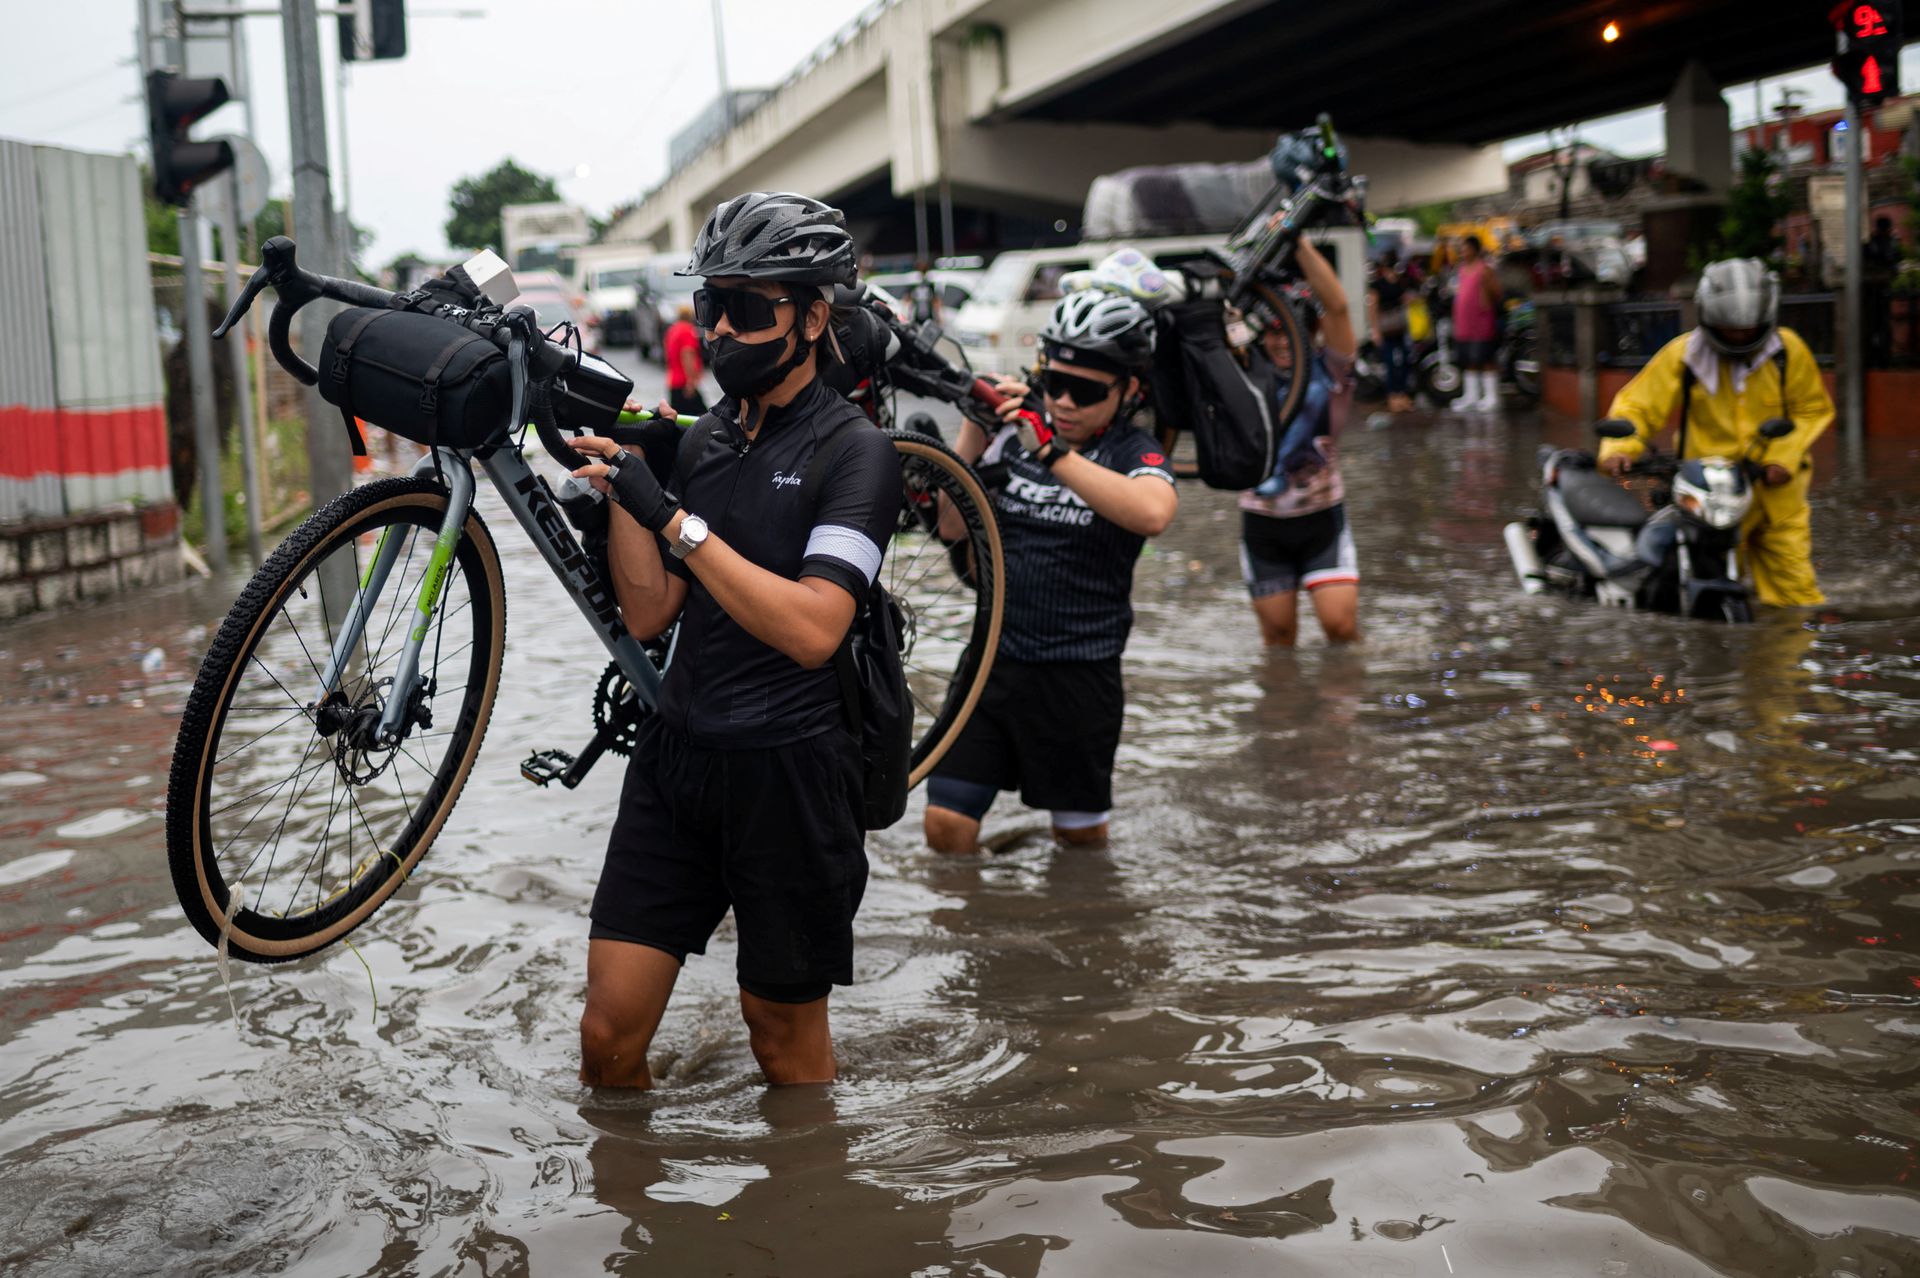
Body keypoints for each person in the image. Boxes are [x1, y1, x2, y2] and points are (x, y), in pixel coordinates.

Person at [566, 191, 901, 1088]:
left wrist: (672, 520)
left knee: (782, 1044)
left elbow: (815, 627)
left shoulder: (857, 454)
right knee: (607, 1037)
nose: (719, 332)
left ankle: (807, 1218)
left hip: (791, 774)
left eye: (747, 310)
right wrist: (632, 490)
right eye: (710, 306)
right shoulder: (707, 437)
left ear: (814, 316)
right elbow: (648, 616)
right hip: (678, 760)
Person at [922, 289, 1178, 855]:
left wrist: (1052, 455)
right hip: (992, 665)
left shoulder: (1130, 450)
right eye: (1052, 382)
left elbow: (1155, 512)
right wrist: (977, 429)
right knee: (945, 828)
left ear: (1129, 390)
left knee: (1081, 848)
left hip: (1079, 679)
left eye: (1085, 391)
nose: (1063, 402)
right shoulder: (1016, 434)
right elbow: (950, 528)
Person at [1599, 257, 1832, 607]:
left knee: (1795, 596)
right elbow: (1638, 406)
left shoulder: (1788, 352)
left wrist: (1781, 457)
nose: (1739, 336)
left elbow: (1811, 408)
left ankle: (1789, 657)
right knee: (1705, 582)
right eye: (1730, 329)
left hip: (1776, 495)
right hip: (1709, 495)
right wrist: (1621, 449)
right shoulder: (1683, 356)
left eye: (1749, 330)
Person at [1240, 237, 1361, 648]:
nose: (1281, 343)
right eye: (1272, 333)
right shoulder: (1244, 376)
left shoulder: (1333, 371)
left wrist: (1300, 244)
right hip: (1262, 524)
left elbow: (1339, 308)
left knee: (1340, 629)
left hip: (1322, 518)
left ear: (1310, 331)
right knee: (1278, 639)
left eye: (1290, 331)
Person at [1450, 235, 1503, 413]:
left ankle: (1491, 396)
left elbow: (1496, 292)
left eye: (1465, 248)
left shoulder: (1485, 270)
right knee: (1468, 359)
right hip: (1464, 322)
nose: (1462, 251)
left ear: (1474, 249)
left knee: (1485, 357)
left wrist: (1485, 300)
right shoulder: (1462, 269)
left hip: (1481, 320)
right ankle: (1471, 395)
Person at [1367, 250, 1414, 413]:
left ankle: (1401, 393)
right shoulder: (1377, 284)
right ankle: (1393, 395)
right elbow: (1372, 307)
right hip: (1386, 327)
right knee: (1390, 363)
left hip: (1400, 326)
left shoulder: (1400, 281)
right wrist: (1375, 330)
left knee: (1405, 361)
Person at [662, 302, 706, 418]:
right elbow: (687, 355)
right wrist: (691, 382)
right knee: (703, 419)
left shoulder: (672, 330)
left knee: (679, 419)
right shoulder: (687, 331)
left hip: (674, 381)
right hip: (684, 383)